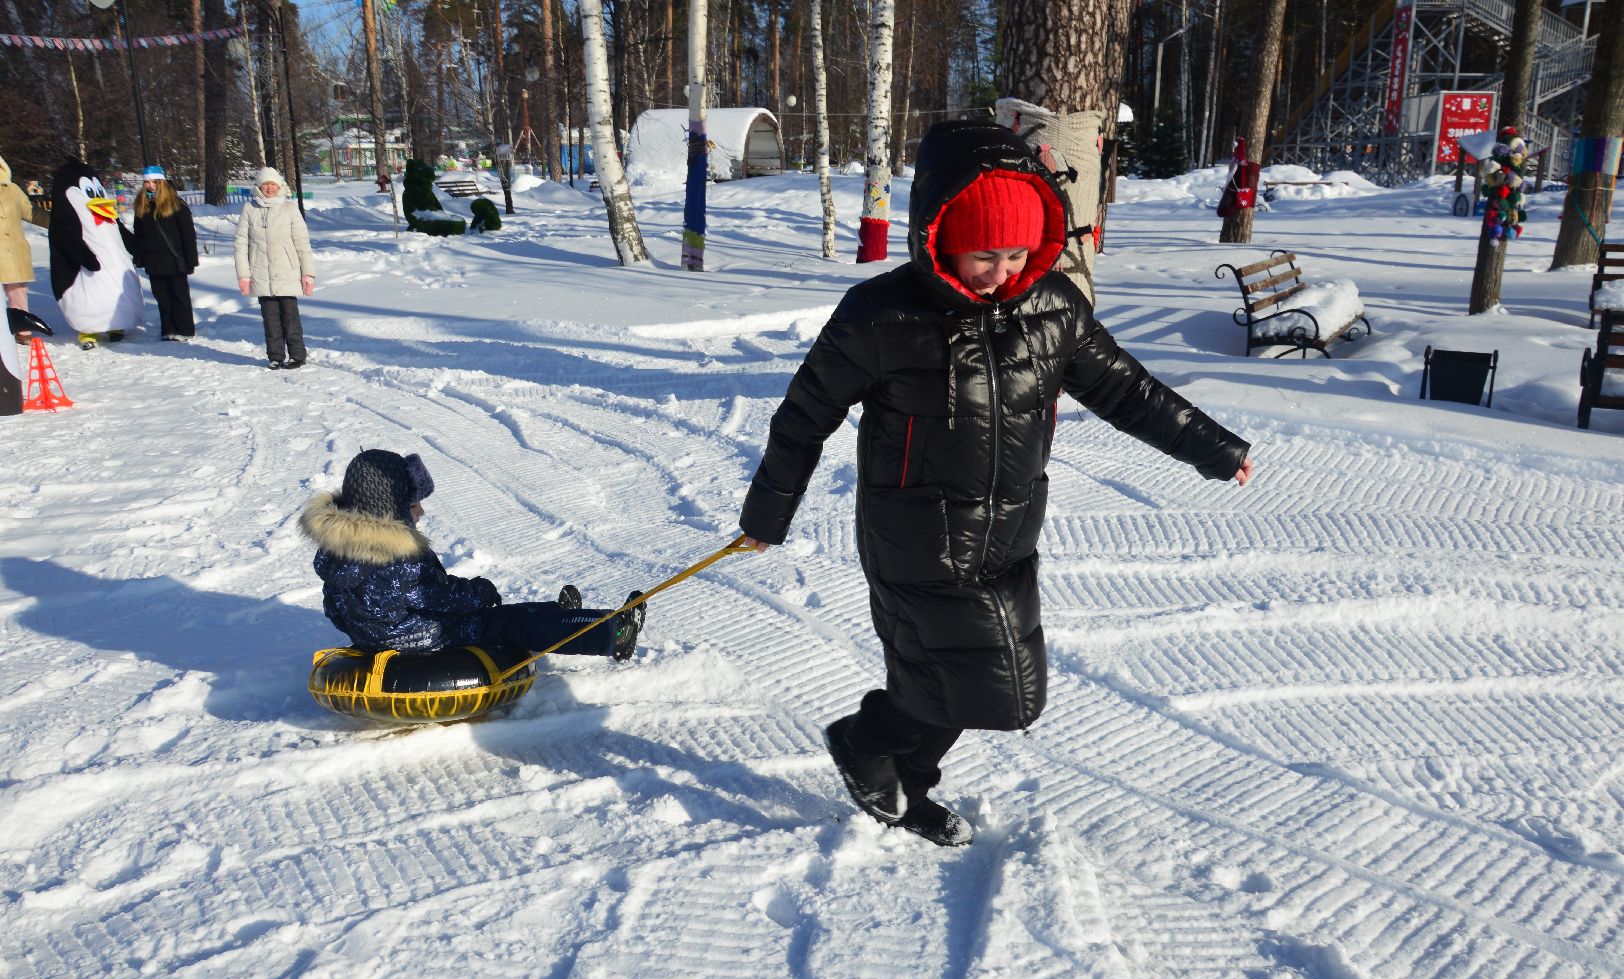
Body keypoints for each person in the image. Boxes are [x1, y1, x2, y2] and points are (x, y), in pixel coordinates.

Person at [738, 120, 1255, 847]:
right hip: (914, 537)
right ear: (940, 232)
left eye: (1018, 253)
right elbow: (803, 417)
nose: (1003, 271)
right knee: (983, 685)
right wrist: (770, 511)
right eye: (986, 253)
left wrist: (1213, 447)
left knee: (973, 682)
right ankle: (866, 746)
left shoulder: (1051, 310)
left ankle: (899, 778)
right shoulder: (882, 316)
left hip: (1008, 533)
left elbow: (1129, 392)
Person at [300, 449, 647, 662]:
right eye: (413, 505)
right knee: (513, 622)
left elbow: (335, 609)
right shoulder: (397, 555)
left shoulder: (336, 552)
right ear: (390, 509)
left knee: (512, 615)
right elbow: (440, 597)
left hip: (377, 638)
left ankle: (562, 616)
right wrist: (480, 591)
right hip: (424, 637)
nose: (420, 512)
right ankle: (612, 633)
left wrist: (371, 631)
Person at [234, 166, 314, 370]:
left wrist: (308, 273)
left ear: (279, 186)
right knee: (270, 318)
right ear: (259, 186)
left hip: (288, 271)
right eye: (265, 184)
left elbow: (302, 243)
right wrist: (243, 275)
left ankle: (297, 355)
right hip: (260, 272)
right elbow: (241, 243)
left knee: (290, 317)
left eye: (273, 184)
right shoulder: (249, 209)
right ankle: (275, 356)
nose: (269, 188)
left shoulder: (290, 208)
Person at [130, 165, 199, 341]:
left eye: (153, 182)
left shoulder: (176, 204)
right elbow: (139, 234)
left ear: (161, 182)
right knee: (161, 296)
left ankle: (184, 329)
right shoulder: (142, 205)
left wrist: (191, 260)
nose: (149, 185)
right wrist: (140, 256)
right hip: (154, 260)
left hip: (175, 259)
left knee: (179, 295)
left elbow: (188, 235)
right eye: (146, 182)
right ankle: (168, 328)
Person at [0, 154, 50, 345]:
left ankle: (22, 331)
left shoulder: (11, 189)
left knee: (17, 292)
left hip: (12, 251)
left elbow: (30, 212)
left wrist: (59, 221)